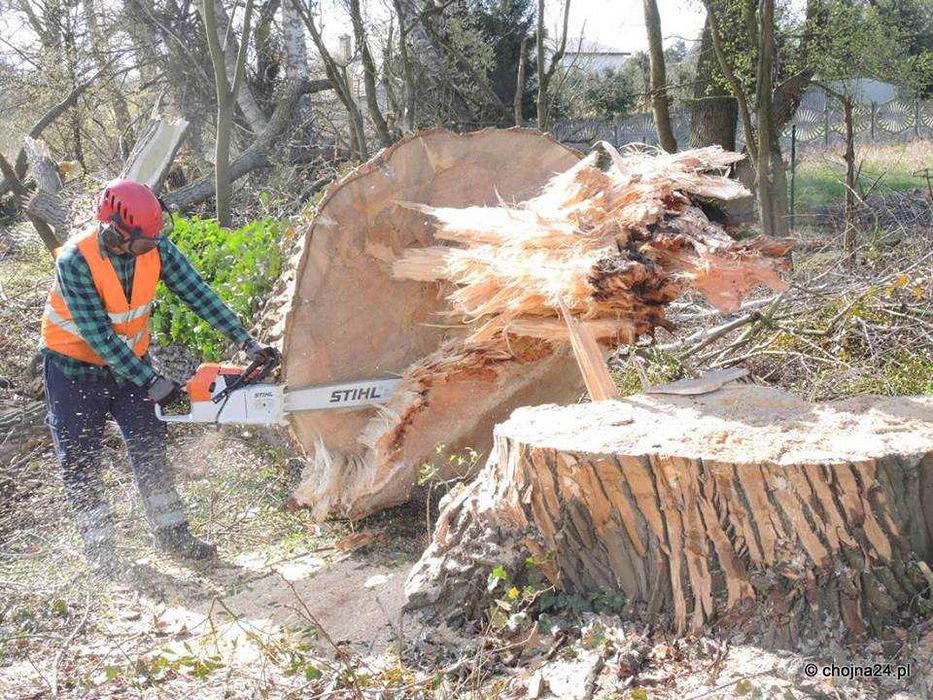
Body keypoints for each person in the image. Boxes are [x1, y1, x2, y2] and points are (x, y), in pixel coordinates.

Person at [40, 178, 274, 574]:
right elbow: (98, 336)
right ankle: (102, 553)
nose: (152, 247)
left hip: (130, 364)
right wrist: (152, 381)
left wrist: (246, 340)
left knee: (149, 445)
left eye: (154, 239)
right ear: (116, 230)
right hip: (72, 369)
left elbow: (198, 293)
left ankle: (172, 534)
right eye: (144, 242)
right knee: (80, 459)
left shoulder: (156, 247)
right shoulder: (75, 261)